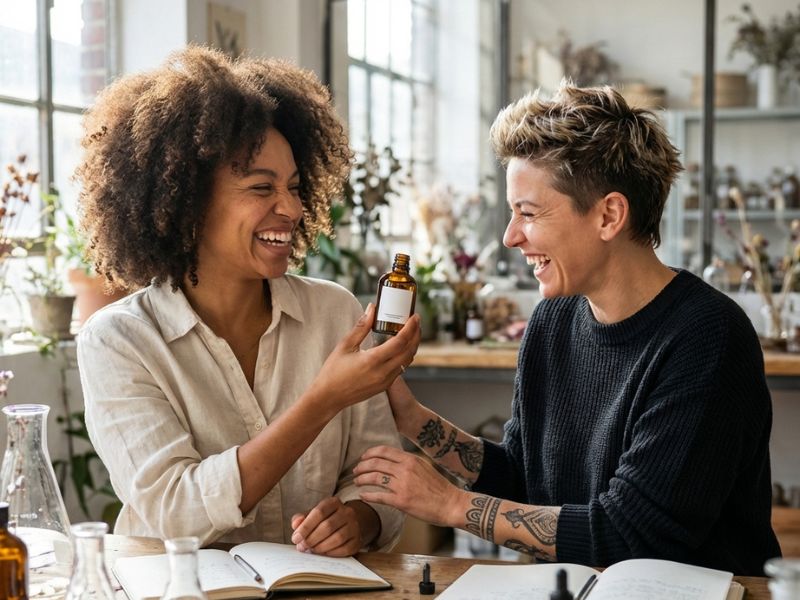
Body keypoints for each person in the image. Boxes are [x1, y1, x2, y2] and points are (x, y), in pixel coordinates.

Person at [354, 82, 781, 575]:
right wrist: (411, 418)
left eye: (528, 213)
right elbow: (522, 477)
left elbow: (632, 534)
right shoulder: (553, 321)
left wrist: (449, 505)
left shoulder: (708, 339)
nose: (511, 236)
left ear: (609, 215)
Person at [75, 46, 419, 555]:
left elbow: (379, 476)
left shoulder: (334, 315)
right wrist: (321, 401)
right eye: (262, 188)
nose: (291, 207)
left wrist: (360, 519)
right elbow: (175, 512)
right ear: (186, 201)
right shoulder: (120, 340)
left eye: (296, 187)